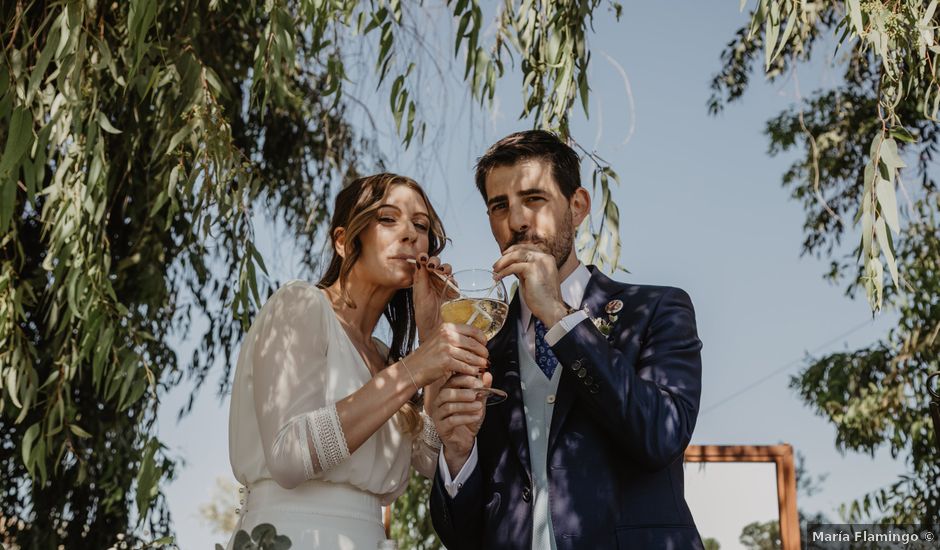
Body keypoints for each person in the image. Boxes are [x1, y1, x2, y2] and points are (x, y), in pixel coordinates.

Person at [429, 130, 705, 549]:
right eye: (499, 206)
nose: (517, 220)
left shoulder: (657, 311)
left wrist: (558, 316)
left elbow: (659, 437)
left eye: (534, 199)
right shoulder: (483, 347)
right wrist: (456, 454)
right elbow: (460, 537)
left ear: (577, 207)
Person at [226, 173, 488, 549]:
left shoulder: (384, 357)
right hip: (291, 537)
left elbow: (429, 461)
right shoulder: (299, 304)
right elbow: (288, 456)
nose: (410, 234)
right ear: (344, 241)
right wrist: (416, 367)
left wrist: (431, 337)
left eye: (421, 225)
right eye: (387, 218)